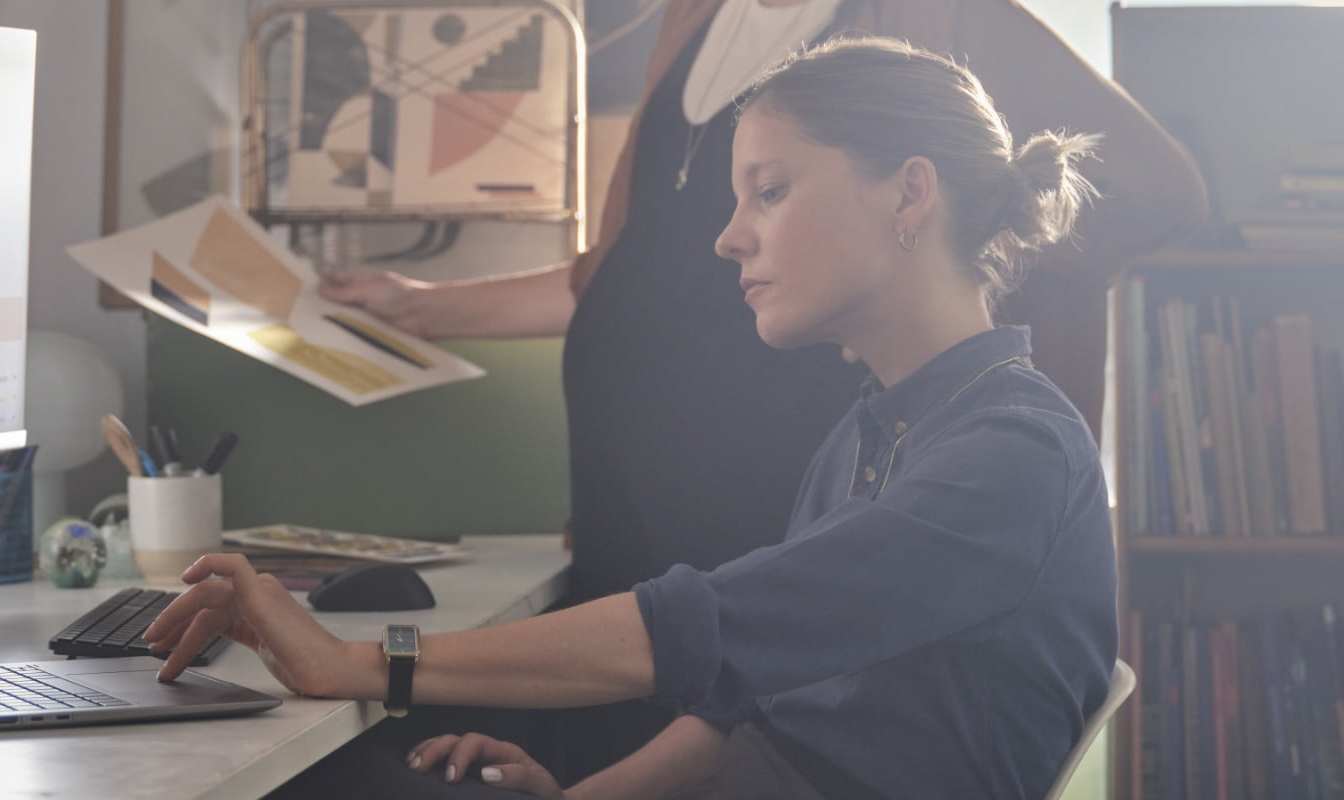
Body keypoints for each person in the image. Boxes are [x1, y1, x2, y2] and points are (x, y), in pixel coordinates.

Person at [148, 36, 1119, 798]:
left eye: (770, 191)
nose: (728, 236)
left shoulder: (1009, 454)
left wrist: (363, 662)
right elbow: (754, 697)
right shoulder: (876, 431)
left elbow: (711, 629)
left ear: (909, 192)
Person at [322, 0, 1205, 608]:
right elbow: (627, 268)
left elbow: (1152, 189)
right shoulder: (693, 17)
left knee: (733, 699)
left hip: (783, 461)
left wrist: (937, 300)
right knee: (631, 714)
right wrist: (428, 306)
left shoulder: (928, 17)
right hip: (620, 478)